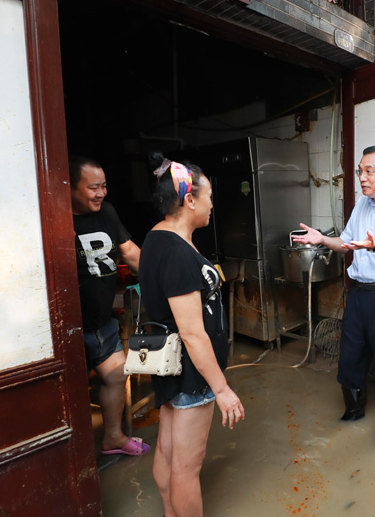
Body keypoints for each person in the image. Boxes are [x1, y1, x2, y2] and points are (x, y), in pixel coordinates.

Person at [293, 145, 375, 444]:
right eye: (359, 171)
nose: (362, 178)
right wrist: (322, 239)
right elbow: (346, 243)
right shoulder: (362, 205)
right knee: (351, 355)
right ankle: (353, 413)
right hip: (359, 294)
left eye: (369, 171)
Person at [139, 152, 245, 517]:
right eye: (209, 196)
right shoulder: (178, 253)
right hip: (191, 373)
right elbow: (193, 333)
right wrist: (222, 389)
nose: (213, 204)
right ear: (190, 200)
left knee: (167, 451)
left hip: (169, 364)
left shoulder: (157, 237)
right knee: (187, 468)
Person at [70, 155, 148, 457]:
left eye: (103, 186)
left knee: (116, 375)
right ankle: (73, 458)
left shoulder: (107, 212)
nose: (100, 193)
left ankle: (113, 437)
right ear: (70, 188)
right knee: (70, 393)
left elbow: (129, 252)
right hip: (70, 330)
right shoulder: (55, 219)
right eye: (93, 188)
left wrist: (162, 277)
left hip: (102, 323)